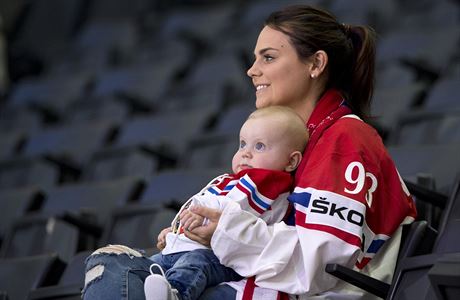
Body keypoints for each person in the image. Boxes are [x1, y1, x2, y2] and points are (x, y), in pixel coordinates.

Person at [83, 4, 417, 300]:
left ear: (316, 63)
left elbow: (321, 267)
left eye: (268, 57)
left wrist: (225, 232)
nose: (251, 70)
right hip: (258, 283)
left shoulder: (343, 137)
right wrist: (192, 236)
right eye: (255, 58)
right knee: (111, 267)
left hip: (309, 294)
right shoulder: (293, 140)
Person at [143, 106, 308, 300]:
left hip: (220, 258)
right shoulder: (232, 180)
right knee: (146, 264)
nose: (246, 153)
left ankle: (177, 294)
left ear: (291, 161)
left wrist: (196, 220)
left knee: (195, 263)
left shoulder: (268, 183)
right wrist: (175, 230)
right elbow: (201, 206)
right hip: (184, 248)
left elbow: (231, 213)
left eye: (259, 146)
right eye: (242, 145)